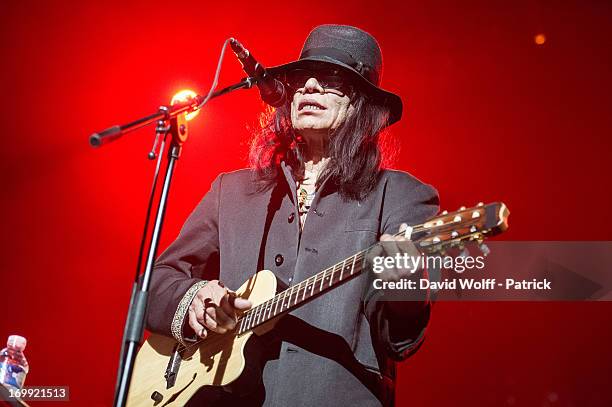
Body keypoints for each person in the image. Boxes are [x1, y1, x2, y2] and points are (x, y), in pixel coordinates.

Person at [146, 24, 439, 406]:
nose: (310, 87)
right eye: (302, 77)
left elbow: (399, 340)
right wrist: (196, 297)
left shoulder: (400, 196)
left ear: (364, 104)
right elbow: (154, 283)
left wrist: (407, 282)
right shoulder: (232, 191)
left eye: (332, 79)